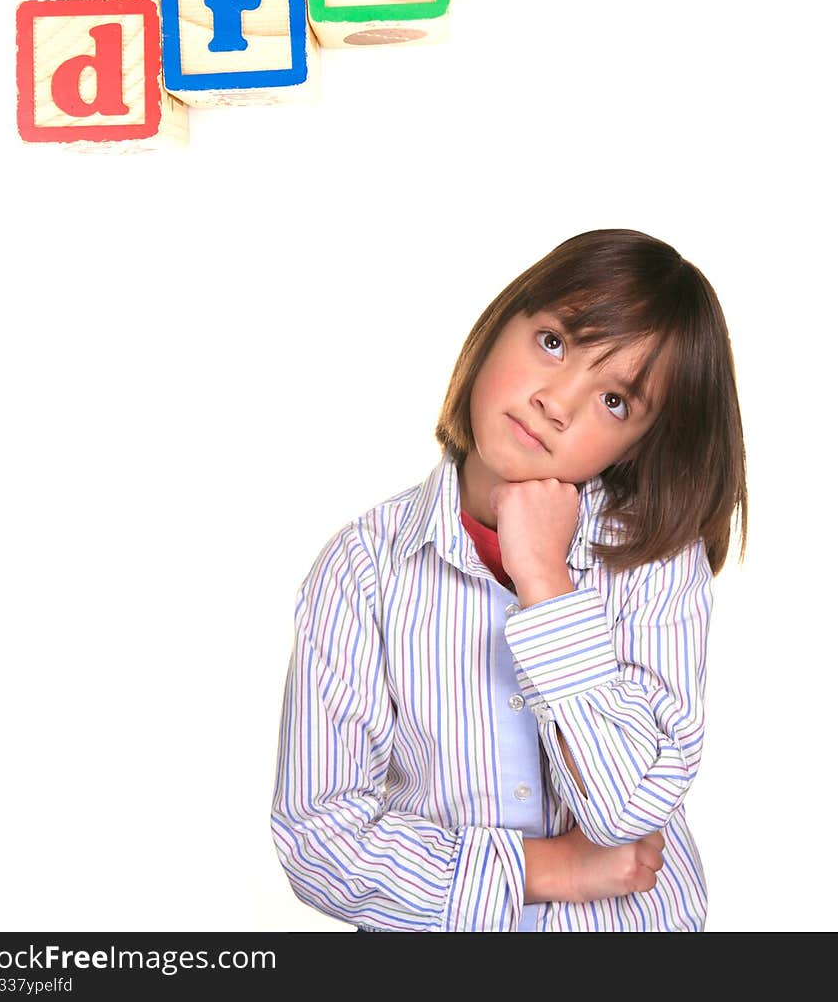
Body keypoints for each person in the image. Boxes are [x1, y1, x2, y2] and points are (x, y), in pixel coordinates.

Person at [270, 229, 747, 932]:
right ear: (500, 326)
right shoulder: (363, 569)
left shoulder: (654, 564)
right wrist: (545, 866)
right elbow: (319, 842)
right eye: (554, 341)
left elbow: (629, 808)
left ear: (639, 444)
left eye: (615, 400)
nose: (558, 401)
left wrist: (545, 582)